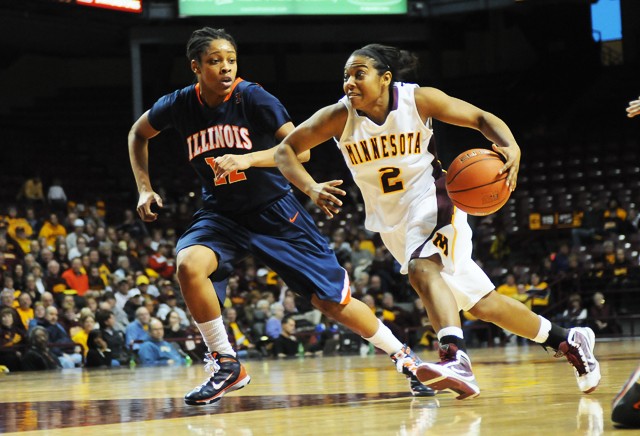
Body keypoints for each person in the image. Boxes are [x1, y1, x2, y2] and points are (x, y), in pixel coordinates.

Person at [274, 43, 600, 398]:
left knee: (421, 269)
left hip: (433, 200)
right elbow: (285, 150)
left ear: (385, 79)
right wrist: (310, 186)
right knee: (483, 305)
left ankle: (454, 358)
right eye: (346, 75)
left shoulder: (418, 100)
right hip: (392, 224)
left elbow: (480, 118)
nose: (349, 82)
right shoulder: (338, 116)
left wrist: (511, 145)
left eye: (358, 74)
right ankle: (569, 339)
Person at [128, 27, 433, 406]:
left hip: (275, 211)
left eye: (231, 59)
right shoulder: (178, 104)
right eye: (214, 61)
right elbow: (138, 134)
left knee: (330, 301)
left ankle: (406, 359)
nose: (225, 67)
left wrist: (248, 159)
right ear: (195, 67)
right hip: (221, 213)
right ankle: (225, 362)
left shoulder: (252, 97)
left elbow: (298, 152)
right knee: (188, 264)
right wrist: (144, 186)